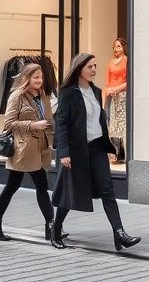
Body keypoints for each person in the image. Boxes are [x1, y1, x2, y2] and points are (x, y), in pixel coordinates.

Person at [50, 53, 140, 251]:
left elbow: (98, 121)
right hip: (76, 150)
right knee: (70, 190)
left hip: (97, 147)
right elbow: (62, 125)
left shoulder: (96, 91)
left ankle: (119, 234)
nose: (94, 70)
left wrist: (108, 147)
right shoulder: (68, 93)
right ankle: (55, 229)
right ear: (79, 68)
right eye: (90, 66)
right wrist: (64, 153)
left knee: (107, 189)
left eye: (95, 66)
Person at [0, 62, 59, 242]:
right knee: (23, 186)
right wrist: (32, 125)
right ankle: (50, 227)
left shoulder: (42, 95)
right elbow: (9, 123)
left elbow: (48, 118)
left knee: (22, 186)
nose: (39, 81)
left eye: (41, 77)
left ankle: (49, 227)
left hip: (41, 147)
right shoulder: (17, 96)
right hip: (22, 149)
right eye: (36, 77)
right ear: (26, 78)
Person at [104, 38, 128, 164]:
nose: (116, 49)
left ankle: (123, 153)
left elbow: (128, 81)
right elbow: (107, 82)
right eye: (114, 47)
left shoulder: (126, 61)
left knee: (122, 122)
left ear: (123, 47)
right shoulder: (111, 62)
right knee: (112, 122)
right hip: (112, 95)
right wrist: (105, 97)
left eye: (118, 46)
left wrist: (117, 89)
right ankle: (114, 153)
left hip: (122, 95)